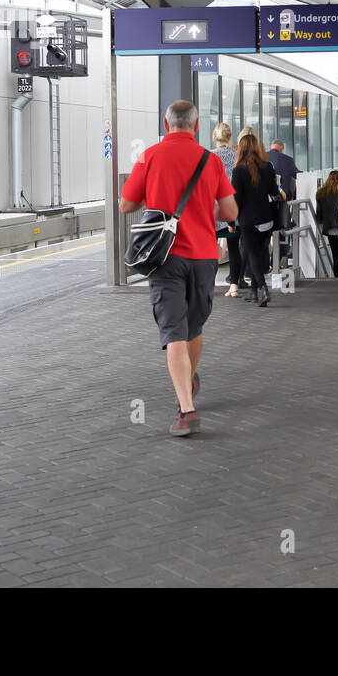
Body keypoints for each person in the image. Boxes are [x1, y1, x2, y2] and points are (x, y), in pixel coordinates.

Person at [119, 101, 238, 437]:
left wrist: (158, 200)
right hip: (203, 256)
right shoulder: (211, 160)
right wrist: (204, 211)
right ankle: (187, 388)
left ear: (165, 123)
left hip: (164, 257)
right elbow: (230, 211)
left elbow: (126, 204)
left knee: (174, 331)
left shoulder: (149, 156)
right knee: (194, 326)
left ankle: (187, 411)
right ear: (197, 125)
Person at [230, 133, 281, 308]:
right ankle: (253, 292)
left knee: (252, 255)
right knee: (258, 254)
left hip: (247, 220)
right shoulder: (268, 167)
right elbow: (274, 192)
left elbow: (236, 200)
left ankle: (263, 288)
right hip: (267, 219)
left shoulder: (238, 171)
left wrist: (231, 221)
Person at [211, 123, 245, 297]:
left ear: (214, 138)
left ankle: (208, 284)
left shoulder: (208, 157)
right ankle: (234, 285)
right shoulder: (237, 155)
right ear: (230, 137)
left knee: (209, 248)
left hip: (214, 211)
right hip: (233, 209)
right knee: (233, 247)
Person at [316, 171, 338, 276]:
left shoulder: (320, 193)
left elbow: (318, 216)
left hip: (329, 229)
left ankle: (337, 276)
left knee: (335, 254)